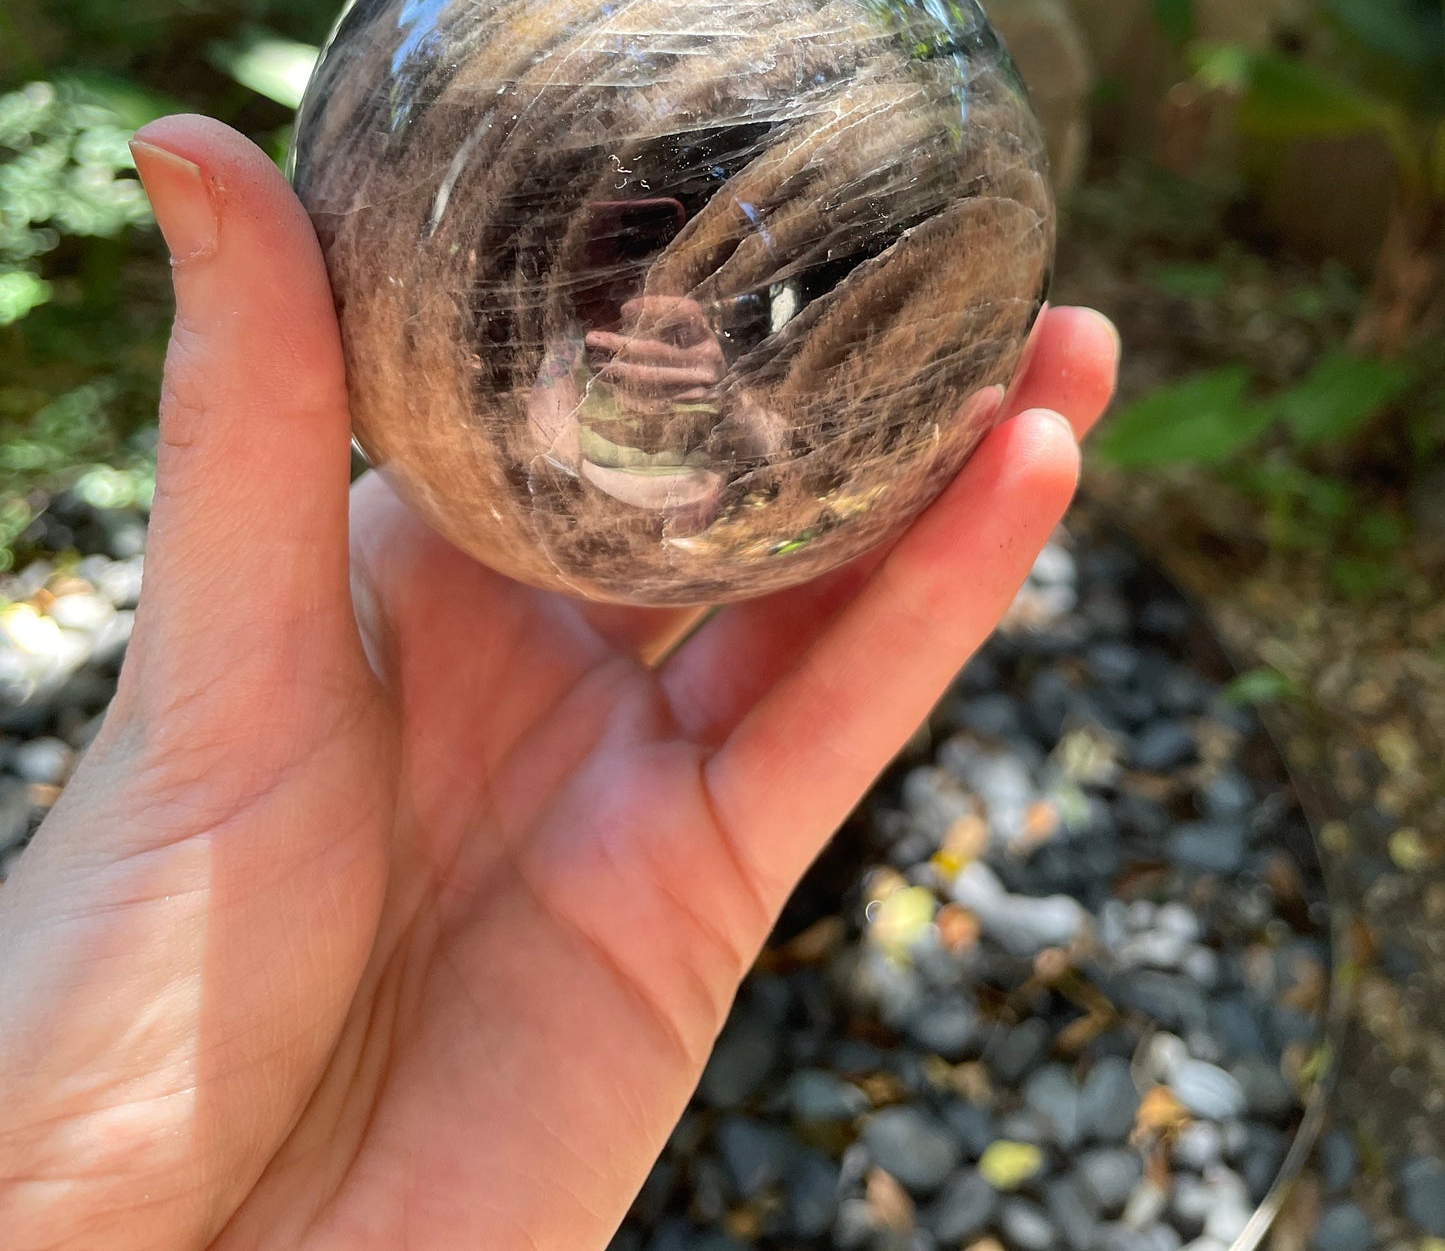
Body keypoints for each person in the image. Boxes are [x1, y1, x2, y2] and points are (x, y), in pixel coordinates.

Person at [0, 116, 1118, 1250]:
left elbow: (720, 457)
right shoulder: (536, 355)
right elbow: (564, 411)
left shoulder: (745, 400)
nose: (672, 313)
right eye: (642, 280)